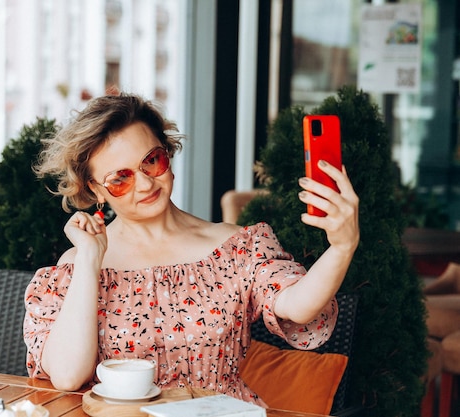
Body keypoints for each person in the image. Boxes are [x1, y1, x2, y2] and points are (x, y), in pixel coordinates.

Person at [23, 93, 360, 406]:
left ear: (167, 152)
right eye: (120, 179)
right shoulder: (76, 267)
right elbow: (68, 375)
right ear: (95, 189)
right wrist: (89, 260)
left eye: (151, 162)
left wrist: (342, 247)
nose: (144, 183)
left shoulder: (237, 247)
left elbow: (298, 306)